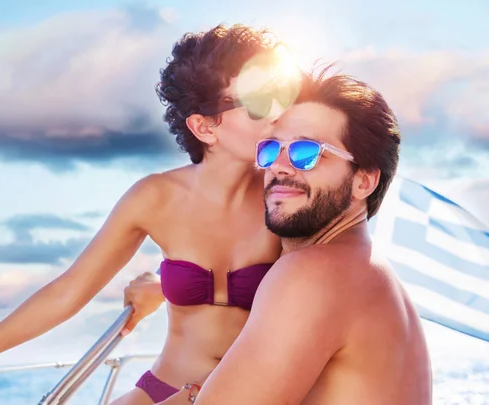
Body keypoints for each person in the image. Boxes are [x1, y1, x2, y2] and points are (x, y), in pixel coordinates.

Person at [0, 24, 301, 404]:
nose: (278, 110)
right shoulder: (156, 196)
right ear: (204, 127)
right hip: (161, 392)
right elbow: (68, 292)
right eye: (258, 101)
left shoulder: (289, 197)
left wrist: (162, 286)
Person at [184, 65, 432, 404]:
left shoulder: (314, 273)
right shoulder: (368, 273)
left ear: (364, 181)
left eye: (306, 153)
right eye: (270, 149)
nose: (280, 166)